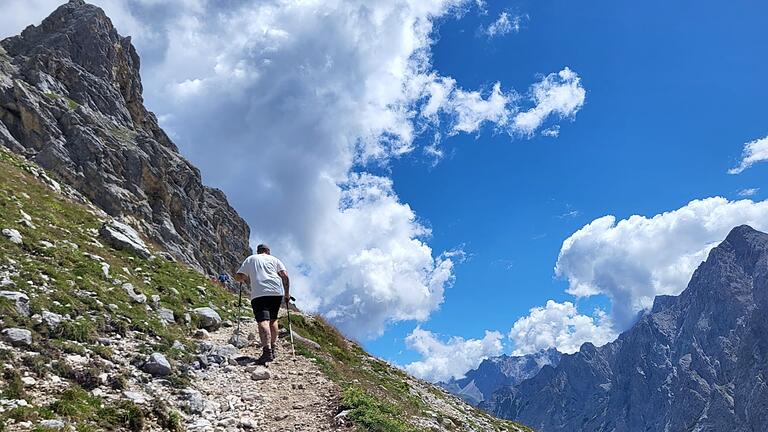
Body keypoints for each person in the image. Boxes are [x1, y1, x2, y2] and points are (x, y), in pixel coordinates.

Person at [234, 244, 290, 365]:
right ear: (268, 251)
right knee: (273, 320)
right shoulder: (275, 260)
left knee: (263, 321)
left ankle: (267, 352)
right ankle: (273, 349)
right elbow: (285, 276)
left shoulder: (251, 259)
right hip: (276, 292)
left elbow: (239, 276)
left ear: (258, 251)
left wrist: (242, 279)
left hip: (260, 293)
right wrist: (287, 294)